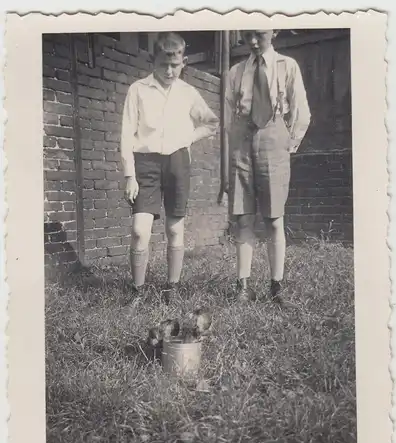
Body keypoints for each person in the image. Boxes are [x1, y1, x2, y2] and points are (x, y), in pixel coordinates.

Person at [121, 32, 219, 304]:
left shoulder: (188, 93)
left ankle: (171, 288)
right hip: (145, 163)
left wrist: (187, 138)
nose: (168, 71)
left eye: (174, 65)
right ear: (153, 61)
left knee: (175, 229)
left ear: (184, 62)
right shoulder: (138, 90)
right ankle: (137, 292)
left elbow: (211, 123)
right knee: (140, 229)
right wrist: (130, 174)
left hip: (177, 161)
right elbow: (127, 135)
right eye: (163, 64)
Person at [224, 29, 311, 307]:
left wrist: (288, 143)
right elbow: (227, 114)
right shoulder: (236, 72)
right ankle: (243, 287)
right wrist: (236, 140)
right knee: (243, 217)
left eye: (259, 35)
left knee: (274, 218)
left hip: (274, 138)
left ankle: (276, 288)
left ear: (274, 31)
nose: (252, 42)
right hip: (242, 141)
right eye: (248, 35)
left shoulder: (287, 66)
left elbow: (301, 111)